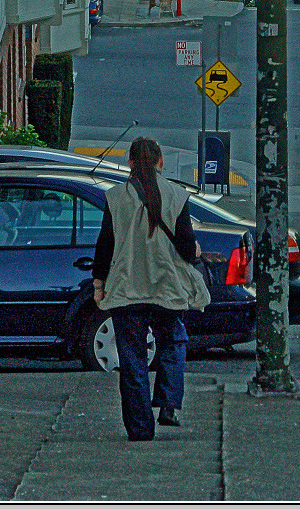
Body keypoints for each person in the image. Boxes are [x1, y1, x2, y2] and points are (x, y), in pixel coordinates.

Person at [92, 137, 199, 441]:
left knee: (133, 360)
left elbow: (105, 246)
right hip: (166, 289)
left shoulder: (115, 198)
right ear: (160, 162)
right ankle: (168, 401)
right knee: (174, 342)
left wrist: (99, 285)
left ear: (129, 164)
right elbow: (187, 248)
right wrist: (198, 252)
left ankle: (140, 428)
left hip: (127, 290)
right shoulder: (177, 196)